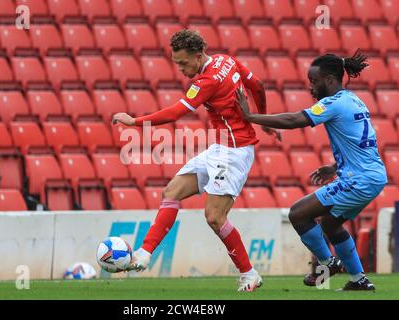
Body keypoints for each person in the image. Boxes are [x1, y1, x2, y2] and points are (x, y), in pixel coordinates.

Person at [112, 29, 281, 292]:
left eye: (182, 62)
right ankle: (144, 253)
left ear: (199, 55)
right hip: (219, 147)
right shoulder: (227, 60)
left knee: (214, 216)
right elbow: (256, 85)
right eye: (175, 63)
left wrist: (135, 122)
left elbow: (176, 112)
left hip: (235, 151)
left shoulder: (207, 81)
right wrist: (263, 118)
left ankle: (249, 274)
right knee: (172, 191)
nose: (180, 68)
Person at [236, 50, 387, 291]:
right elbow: (361, 141)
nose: (311, 87)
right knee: (330, 224)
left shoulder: (334, 103)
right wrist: (335, 167)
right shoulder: (355, 100)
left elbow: (295, 120)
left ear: (329, 79)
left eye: (314, 81)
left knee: (298, 213)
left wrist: (251, 116)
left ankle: (326, 264)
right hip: (374, 176)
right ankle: (359, 280)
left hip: (359, 179)